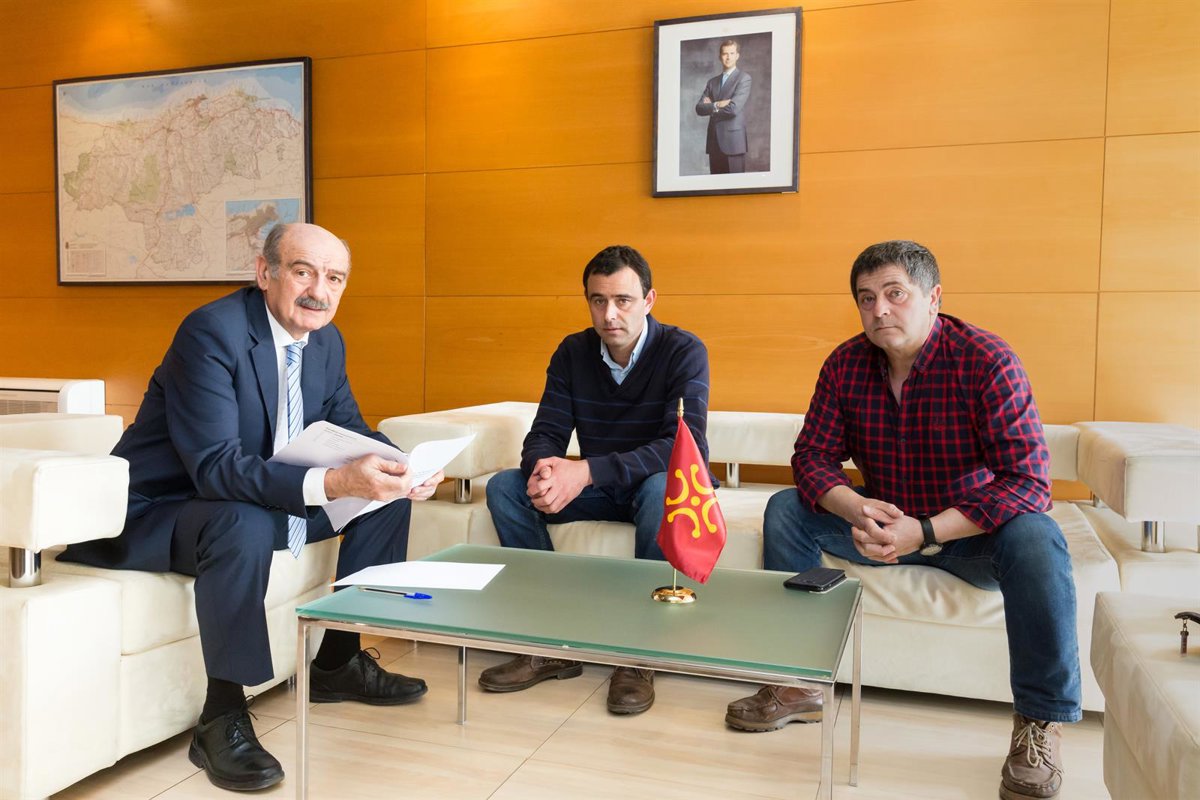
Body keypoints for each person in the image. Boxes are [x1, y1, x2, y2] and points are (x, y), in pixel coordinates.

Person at [60, 223, 443, 792]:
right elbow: (215, 467)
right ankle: (220, 717)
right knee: (241, 519)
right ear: (265, 273)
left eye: (335, 278)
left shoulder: (325, 342)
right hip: (162, 509)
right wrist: (333, 481)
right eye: (303, 272)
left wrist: (401, 468)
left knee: (382, 503)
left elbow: (349, 428)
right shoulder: (211, 332)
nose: (319, 291)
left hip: (249, 501)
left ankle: (337, 662)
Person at [726, 241, 1080, 800]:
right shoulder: (845, 364)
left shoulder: (987, 360)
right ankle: (800, 683)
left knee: (1037, 533)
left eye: (895, 294)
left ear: (933, 297)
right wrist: (855, 508)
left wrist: (928, 530)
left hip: (968, 534)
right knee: (786, 509)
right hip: (882, 522)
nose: (880, 310)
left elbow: (1029, 482)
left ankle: (1039, 722)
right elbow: (812, 457)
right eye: (866, 299)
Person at [480, 244, 712, 716]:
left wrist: (585, 470)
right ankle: (548, 641)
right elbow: (545, 433)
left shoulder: (683, 351)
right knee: (505, 488)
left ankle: (640, 655)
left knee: (661, 488)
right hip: (600, 487)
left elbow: (683, 449)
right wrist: (545, 470)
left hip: (649, 485)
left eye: (623, 300)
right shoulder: (573, 352)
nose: (609, 314)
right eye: (598, 300)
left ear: (649, 300)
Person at [695, 39, 752, 174]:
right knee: (715, 185)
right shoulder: (712, 82)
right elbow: (699, 108)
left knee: (735, 185)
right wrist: (717, 104)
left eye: (732, 53)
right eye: (725, 53)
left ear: (737, 56)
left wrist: (710, 107)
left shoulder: (744, 78)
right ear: (720, 56)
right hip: (714, 142)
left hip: (733, 143)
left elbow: (733, 109)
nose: (728, 57)